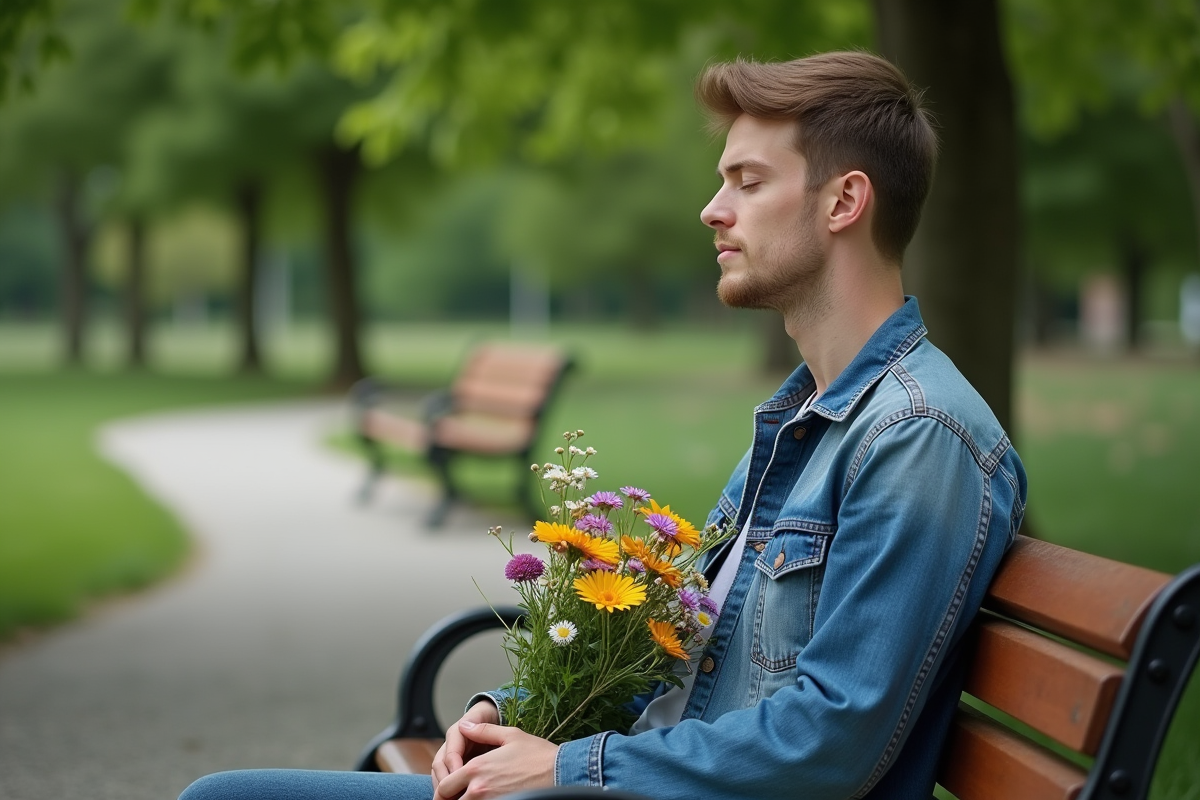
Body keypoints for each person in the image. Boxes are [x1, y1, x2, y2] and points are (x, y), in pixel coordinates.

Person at [180, 50, 1026, 800]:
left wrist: (565, 769)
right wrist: (508, 715)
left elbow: (832, 743)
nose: (713, 209)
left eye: (747, 182)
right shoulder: (806, 418)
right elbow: (675, 648)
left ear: (844, 201)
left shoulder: (917, 437)